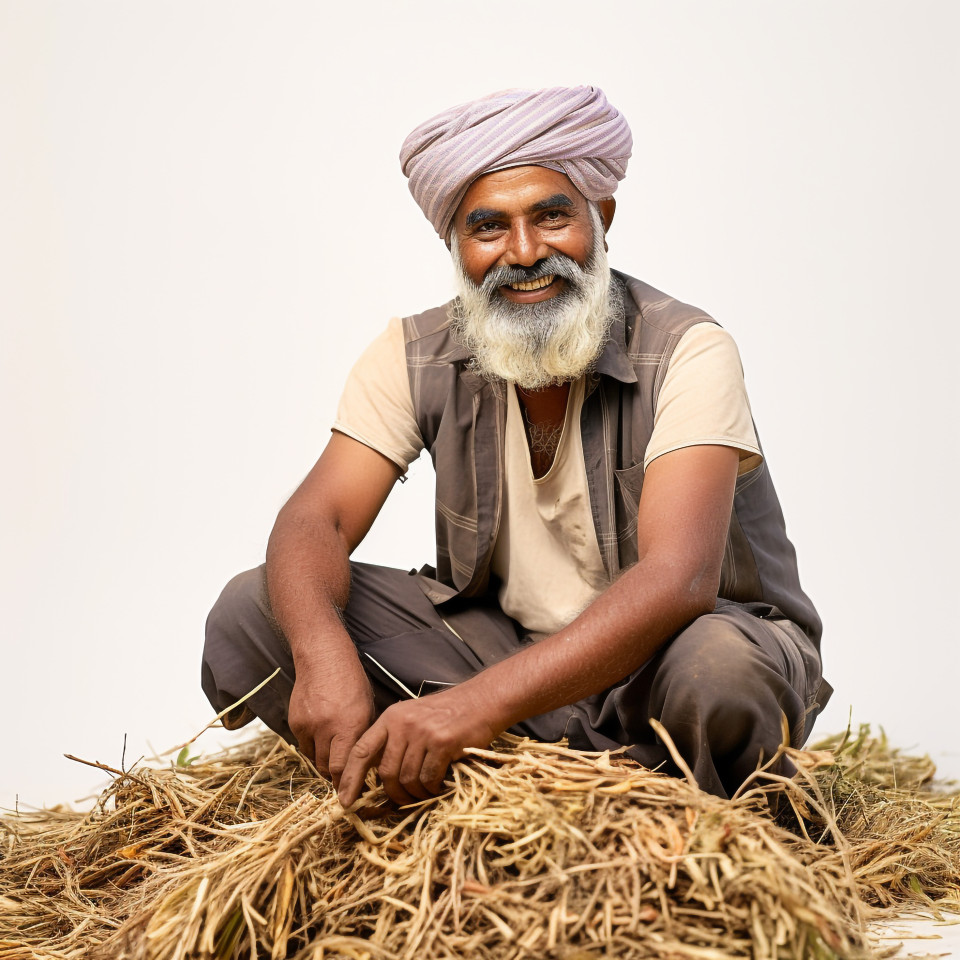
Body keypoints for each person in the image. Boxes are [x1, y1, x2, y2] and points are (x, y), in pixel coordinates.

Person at [202, 86, 830, 808]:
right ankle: (531, 792)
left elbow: (679, 580)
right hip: (504, 656)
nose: (525, 253)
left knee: (719, 669)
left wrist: (471, 709)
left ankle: (621, 807)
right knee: (255, 606)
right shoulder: (412, 353)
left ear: (603, 219)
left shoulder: (687, 349)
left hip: (665, 665)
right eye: (488, 228)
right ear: (455, 246)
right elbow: (320, 521)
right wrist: (322, 657)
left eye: (553, 216)